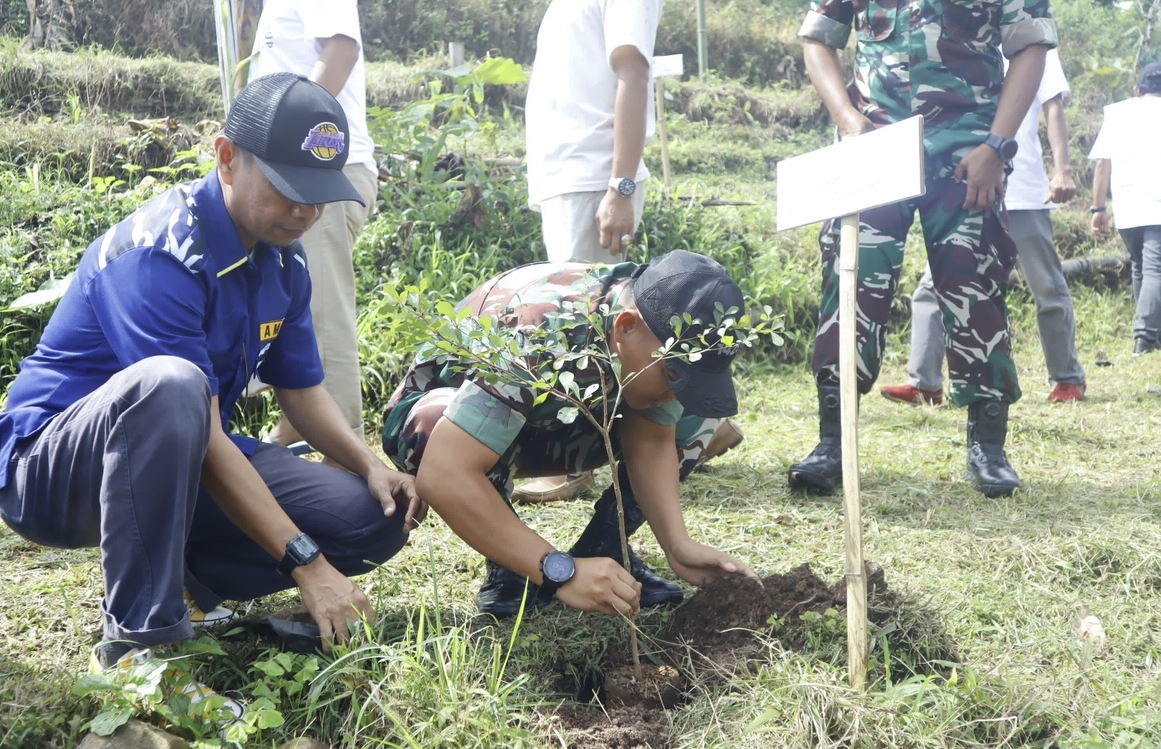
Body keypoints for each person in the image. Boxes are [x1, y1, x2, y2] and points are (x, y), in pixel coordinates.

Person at [0, 75, 422, 690]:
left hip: (180, 457)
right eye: (287, 188)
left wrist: (367, 463)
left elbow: (297, 388)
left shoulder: (284, 256)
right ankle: (138, 646)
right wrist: (306, 563)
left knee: (373, 516)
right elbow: (197, 423)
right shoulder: (160, 254)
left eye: (319, 195)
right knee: (172, 384)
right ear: (226, 158)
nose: (306, 211)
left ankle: (194, 583)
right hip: (55, 473)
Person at [382, 250, 754, 619]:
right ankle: (511, 563)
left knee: (695, 413)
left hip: (557, 420)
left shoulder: (647, 335)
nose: (674, 391)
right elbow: (444, 473)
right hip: (452, 431)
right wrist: (559, 572)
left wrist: (677, 545)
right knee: (432, 422)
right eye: (673, 375)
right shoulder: (539, 332)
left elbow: (653, 436)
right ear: (626, 326)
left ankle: (606, 548)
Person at [790, 0, 1057, 497]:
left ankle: (989, 448)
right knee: (851, 280)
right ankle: (832, 443)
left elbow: (1030, 47)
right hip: (873, 145)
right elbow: (818, 39)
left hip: (968, 146)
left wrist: (997, 145)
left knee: (972, 281)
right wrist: (847, 118)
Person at [519, 0, 743, 501]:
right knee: (606, 325)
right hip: (573, 171)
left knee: (586, 325)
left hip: (593, 172)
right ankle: (710, 421)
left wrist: (619, 185)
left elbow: (634, 74)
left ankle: (570, 464)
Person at [881, 49, 1086, 406]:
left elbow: (1053, 109)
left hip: (1021, 189)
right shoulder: (957, 40)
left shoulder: (1030, 46)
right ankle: (924, 382)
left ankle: (1067, 378)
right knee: (933, 286)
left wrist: (1063, 169)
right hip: (965, 186)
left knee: (1047, 286)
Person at [249, 0, 379, 451]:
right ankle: (298, 427)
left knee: (325, 321)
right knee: (295, 310)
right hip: (298, 168)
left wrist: (278, 140)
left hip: (316, 169)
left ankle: (347, 461)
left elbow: (340, 52)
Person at [1088, 61, 1161, 356]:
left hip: (1127, 207)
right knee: (1155, 271)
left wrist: (1098, 208)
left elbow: (1102, 164)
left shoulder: (1117, 113)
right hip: (1157, 206)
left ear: (1137, 90)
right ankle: (1144, 337)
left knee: (1141, 268)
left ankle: (1152, 338)